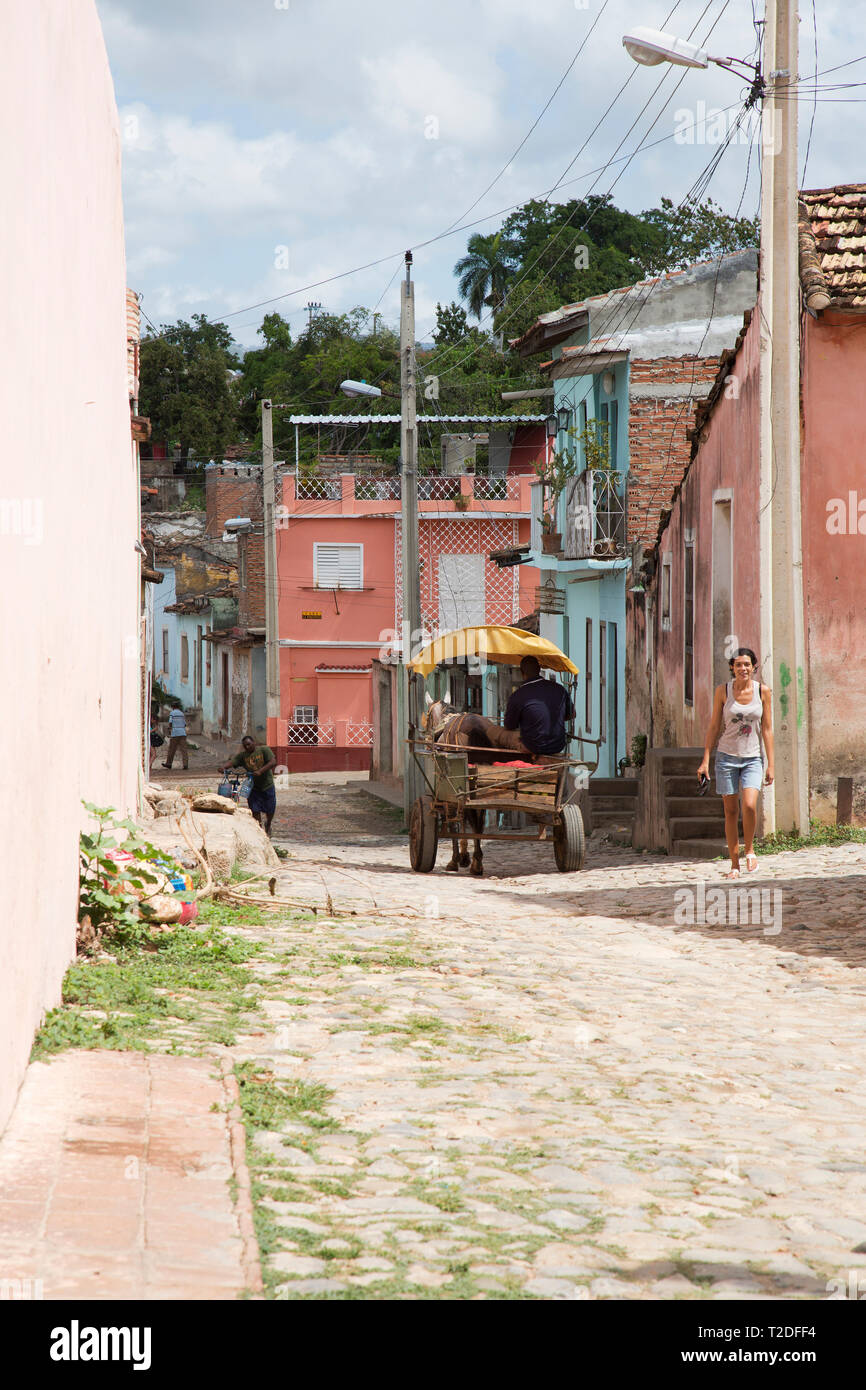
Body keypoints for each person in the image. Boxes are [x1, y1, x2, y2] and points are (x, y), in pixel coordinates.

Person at [697, 647, 775, 879]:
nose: (743, 668)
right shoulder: (723, 691)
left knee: (749, 805)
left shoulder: (763, 691)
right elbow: (713, 727)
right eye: (738, 664)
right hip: (726, 758)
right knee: (731, 811)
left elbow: (768, 729)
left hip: (752, 757)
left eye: (747, 664)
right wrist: (705, 760)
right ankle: (734, 865)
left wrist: (771, 763)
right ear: (732, 667)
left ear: (753, 667)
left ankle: (749, 850)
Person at [503, 656, 574, 758]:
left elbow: (509, 726)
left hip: (532, 747)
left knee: (501, 735)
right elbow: (572, 714)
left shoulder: (518, 695)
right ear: (540, 670)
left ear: (522, 673)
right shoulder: (559, 689)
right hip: (557, 745)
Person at [224, 735, 277, 836]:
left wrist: (260, 771)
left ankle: (268, 824)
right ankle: (260, 830)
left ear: (254, 743)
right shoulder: (243, 756)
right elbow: (232, 762)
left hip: (267, 784)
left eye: (249, 744)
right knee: (255, 809)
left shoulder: (264, 750)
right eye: (245, 746)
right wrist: (223, 768)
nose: (247, 747)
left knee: (270, 809)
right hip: (253, 786)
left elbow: (273, 762)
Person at [162, 703, 189, 771]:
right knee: (184, 750)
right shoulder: (181, 713)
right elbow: (184, 724)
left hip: (175, 733)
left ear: (172, 707)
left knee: (172, 749)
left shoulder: (172, 713)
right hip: (182, 733)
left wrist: (170, 728)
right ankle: (185, 765)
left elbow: (170, 722)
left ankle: (169, 764)